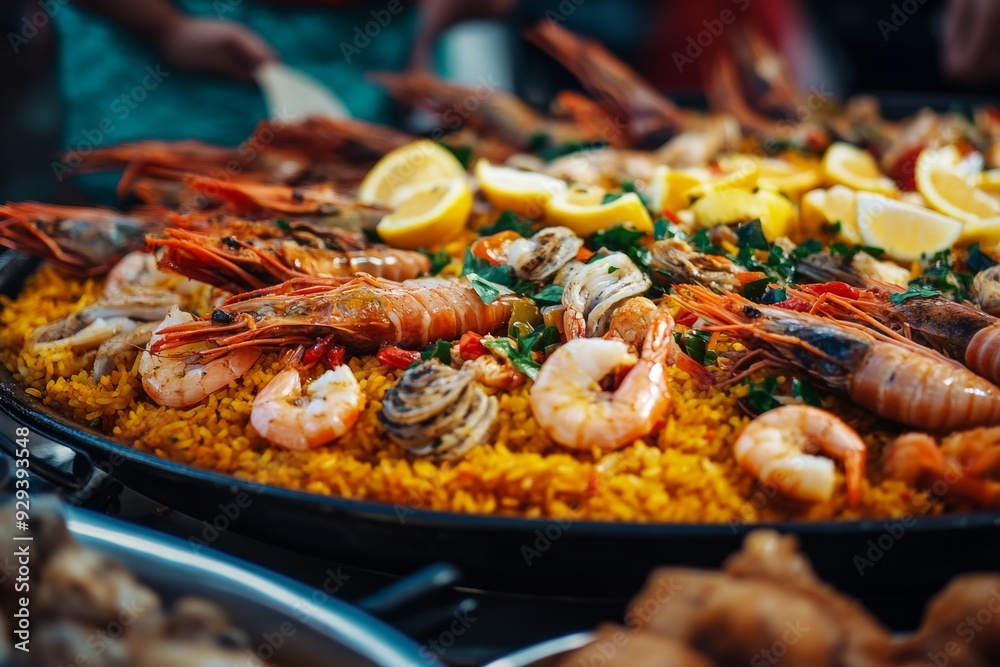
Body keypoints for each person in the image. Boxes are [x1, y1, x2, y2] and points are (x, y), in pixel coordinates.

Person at [53, 0, 512, 200]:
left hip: (372, 42)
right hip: (164, 52)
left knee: (354, 186)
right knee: (129, 193)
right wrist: (166, 28)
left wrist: (428, 20)